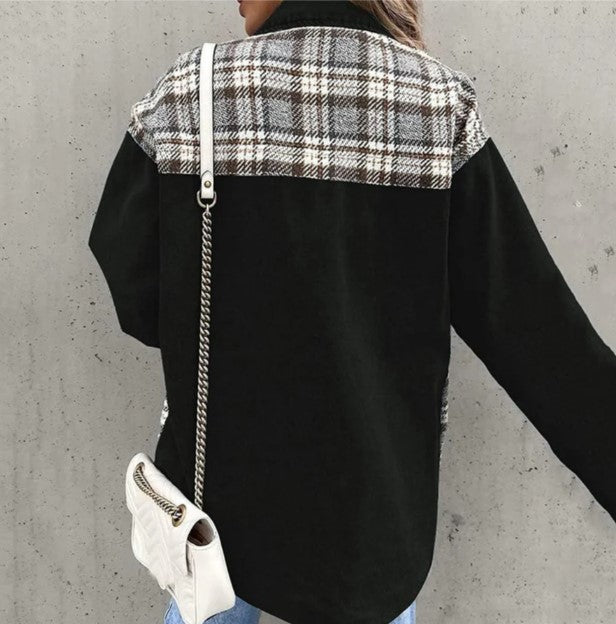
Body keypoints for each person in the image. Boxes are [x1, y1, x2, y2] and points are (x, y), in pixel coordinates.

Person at [87, 1, 616, 624]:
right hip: (372, 526)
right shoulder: (436, 109)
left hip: (217, 512)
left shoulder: (190, 93)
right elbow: (538, 336)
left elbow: (131, 283)